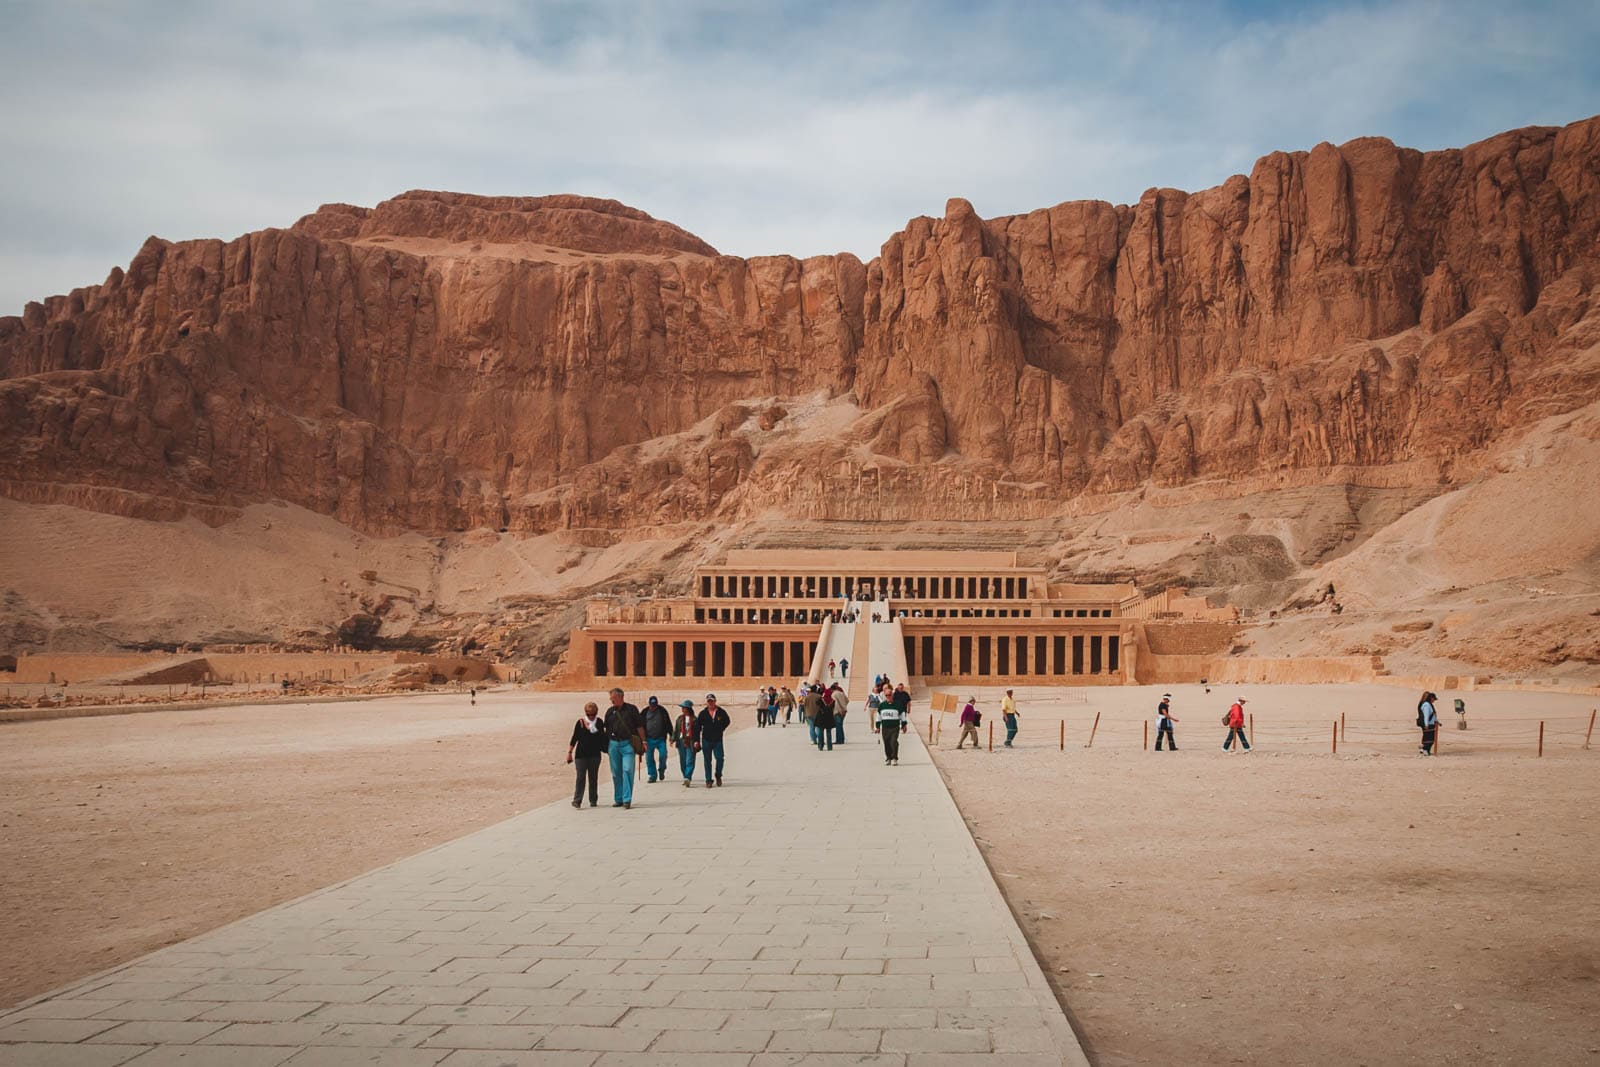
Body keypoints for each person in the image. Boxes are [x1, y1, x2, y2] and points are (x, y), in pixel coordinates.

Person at [603, 688, 644, 808]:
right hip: (614, 744)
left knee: (627, 770)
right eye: (611, 699)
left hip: (627, 745)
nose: (611, 701)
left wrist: (644, 741)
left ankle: (627, 799)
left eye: (613, 699)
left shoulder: (632, 709)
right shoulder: (610, 712)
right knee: (616, 773)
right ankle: (618, 798)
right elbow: (606, 728)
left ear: (621, 697)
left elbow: (639, 726)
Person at [567, 701, 607, 808]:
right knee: (580, 778)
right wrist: (569, 752)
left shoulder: (599, 722)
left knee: (593, 778)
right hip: (581, 755)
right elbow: (574, 738)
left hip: (595, 755)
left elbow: (603, 738)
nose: (591, 716)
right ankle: (577, 800)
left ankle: (593, 800)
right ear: (586, 713)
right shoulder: (580, 723)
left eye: (593, 714)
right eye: (589, 714)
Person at [696, 694, 730, 786]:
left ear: (715, 701)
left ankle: (718, 775)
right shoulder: (703, 713)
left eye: (712, 701)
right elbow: (698, 727)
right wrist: (696, 741)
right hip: (706, 739)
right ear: (707, 702)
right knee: (707, 761)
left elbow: (727, 721)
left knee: (720, 758)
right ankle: (708, 780)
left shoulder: (721, 712)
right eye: (709, 701)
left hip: (717, 739)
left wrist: (721, 729)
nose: (710, 703)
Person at [641, 695, 672, 783]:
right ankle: (652, 775)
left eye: (655, 705)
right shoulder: (644, 712)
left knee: (663, 755)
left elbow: (668, 723)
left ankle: (662, 770)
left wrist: (671, 735)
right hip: (649, 739)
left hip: (660, 738)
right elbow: (639, 725)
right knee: (649, 758)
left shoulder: (662, 711)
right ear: (649, 704)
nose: (653, 707)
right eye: (652, 705)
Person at [874, 684, 908, 765]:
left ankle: (894, 758)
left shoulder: (898, 704)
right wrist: (877, 727)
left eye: (889, 695)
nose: (888, 696)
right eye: (886, 695)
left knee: (893, 742)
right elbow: (878, 717)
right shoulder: (882, 705)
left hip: (894, 728)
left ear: (892, 695)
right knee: (886, 743)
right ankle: (888, 758)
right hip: (885, 728)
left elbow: (902, 715)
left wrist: (904, 725)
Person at [672, 699, 699, 787]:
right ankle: (685, 776)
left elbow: (697, 732)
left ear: (688, 708)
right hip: (681, 742)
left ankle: (688, 777)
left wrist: (696, 741)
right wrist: (673, 739)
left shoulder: (695, 719)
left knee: (690, 760)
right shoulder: (679, 719)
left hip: (691, 742)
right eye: (682, 708)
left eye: (684, 708)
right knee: (683, 761)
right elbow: (676, 730)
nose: (682, 709)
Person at [1418, 691, 1439, 756]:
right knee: (1429, 739)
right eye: (1433, 699)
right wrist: (1426, 724)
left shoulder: (1429, 704)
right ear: (1431, 698)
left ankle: (1426, 750)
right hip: (1428, 724)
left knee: (1429, 738)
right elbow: (1426, 715)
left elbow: (1433, 715)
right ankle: (1424, 749)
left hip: (1431, 723)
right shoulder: (1426, 705)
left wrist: (1437, 722)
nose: (1434, 701)